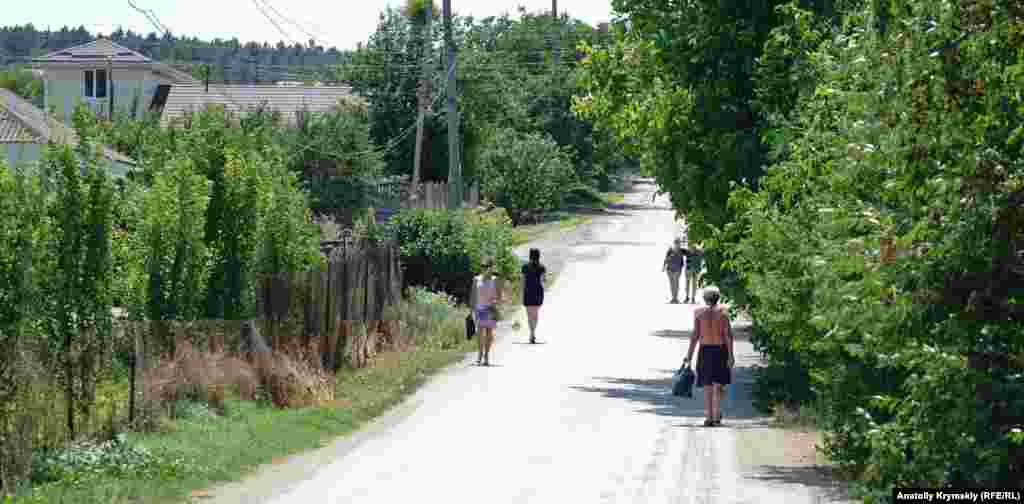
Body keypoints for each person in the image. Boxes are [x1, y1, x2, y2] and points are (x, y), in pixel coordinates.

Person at [683, 287, 734, 426]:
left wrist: (689, 355)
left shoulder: (698, 313)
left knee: (707, 386)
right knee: (718, 385)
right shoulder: (723, 313)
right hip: (720, 350)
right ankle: (717, 415)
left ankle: (709, 417)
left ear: (705, 299)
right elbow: (728, 336)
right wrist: (731, 355)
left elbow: (695, 336)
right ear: (718, 298)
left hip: (705, 350)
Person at [470, 258, 504, 366]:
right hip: (479, 310)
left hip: (490, 309)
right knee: (479, 333)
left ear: (491, 267)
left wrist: (495, 302)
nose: (484, 269)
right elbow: (473, 295)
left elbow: (499, 297)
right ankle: (480, 354)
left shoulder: (495, 280)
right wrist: (471, 309)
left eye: (486, 267)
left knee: (489, 334)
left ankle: (486, 355)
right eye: (482, 267)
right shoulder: (476, 279)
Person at [521, 248, 547, 344]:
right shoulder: (542, 267)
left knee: (529, 315)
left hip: (527, 292)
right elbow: (544, 280)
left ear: (530, 255)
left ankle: (531, 332)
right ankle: (533, 332)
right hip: (538, 292)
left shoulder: (524, 267)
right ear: (538, 255)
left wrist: (522, 292)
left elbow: (523, 281)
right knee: (535, 314)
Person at [662, 238, 686, 303]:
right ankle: (673, 298)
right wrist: (663, 267)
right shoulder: (670, 250)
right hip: (669, 269)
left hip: (678, 269)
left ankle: (676, 298)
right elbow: (666, 259)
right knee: (672, 284)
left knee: (676, 283)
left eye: (679, 243)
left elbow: (690, 253)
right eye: (676, 243)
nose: (678, 244)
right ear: (674, 243)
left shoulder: (682, 250)